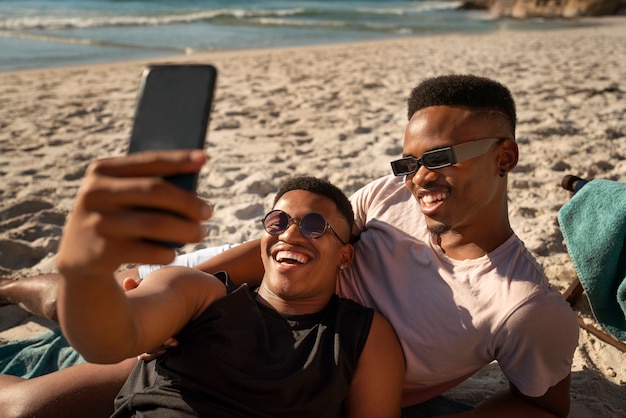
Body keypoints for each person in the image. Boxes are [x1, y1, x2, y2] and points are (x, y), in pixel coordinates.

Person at [1, 74, 579, 417]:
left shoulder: (524, 306)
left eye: (441, 159)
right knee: (82, 309)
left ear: (505, 156)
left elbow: (543, 406)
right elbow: (295, 236)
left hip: (319, 364)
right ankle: (9, 285)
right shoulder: (388, 196)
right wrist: (205, 286)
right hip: (255, 293)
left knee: (39, 399)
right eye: (408, 162)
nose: (418, 177)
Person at [4, 153, 406, 417]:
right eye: (277, 222)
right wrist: (85, 269)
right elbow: (111, 337)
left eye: (315, 226)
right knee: (26, 404)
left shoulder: (362, 334)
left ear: (344, 256)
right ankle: (8, 286)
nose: (290, 234)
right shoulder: (201, 293)